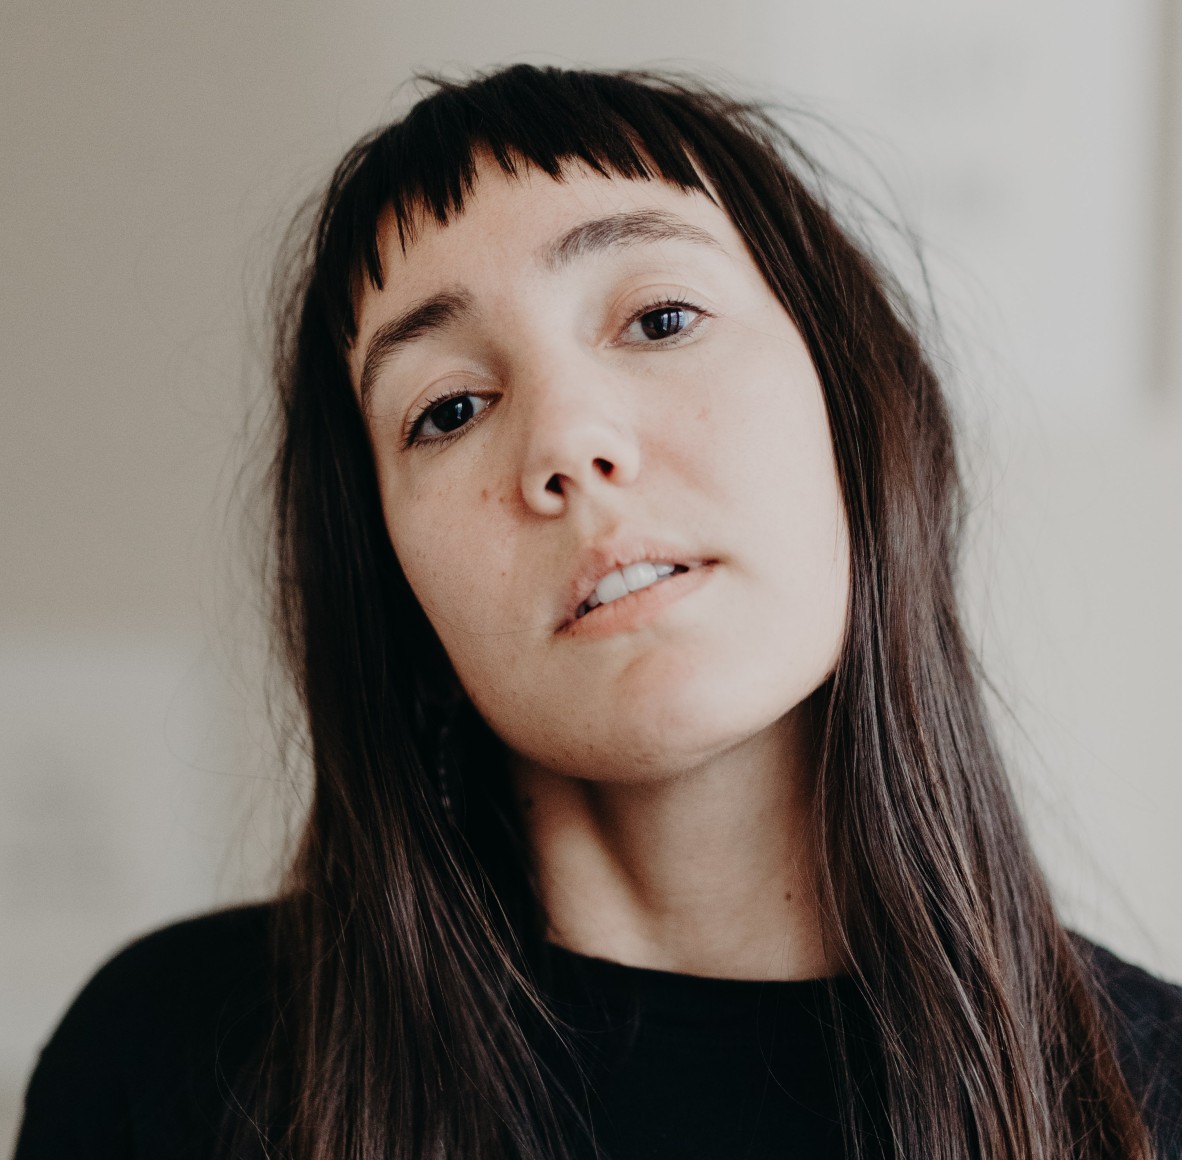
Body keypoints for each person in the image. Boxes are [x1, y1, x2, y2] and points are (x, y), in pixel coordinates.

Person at [13, 63, 1182, 1160]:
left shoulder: (1155, 1097)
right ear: (393, 576)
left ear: (856, 411)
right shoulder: (172, 1063)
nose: (568, 443)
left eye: (661, 320)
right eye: (451, 407)